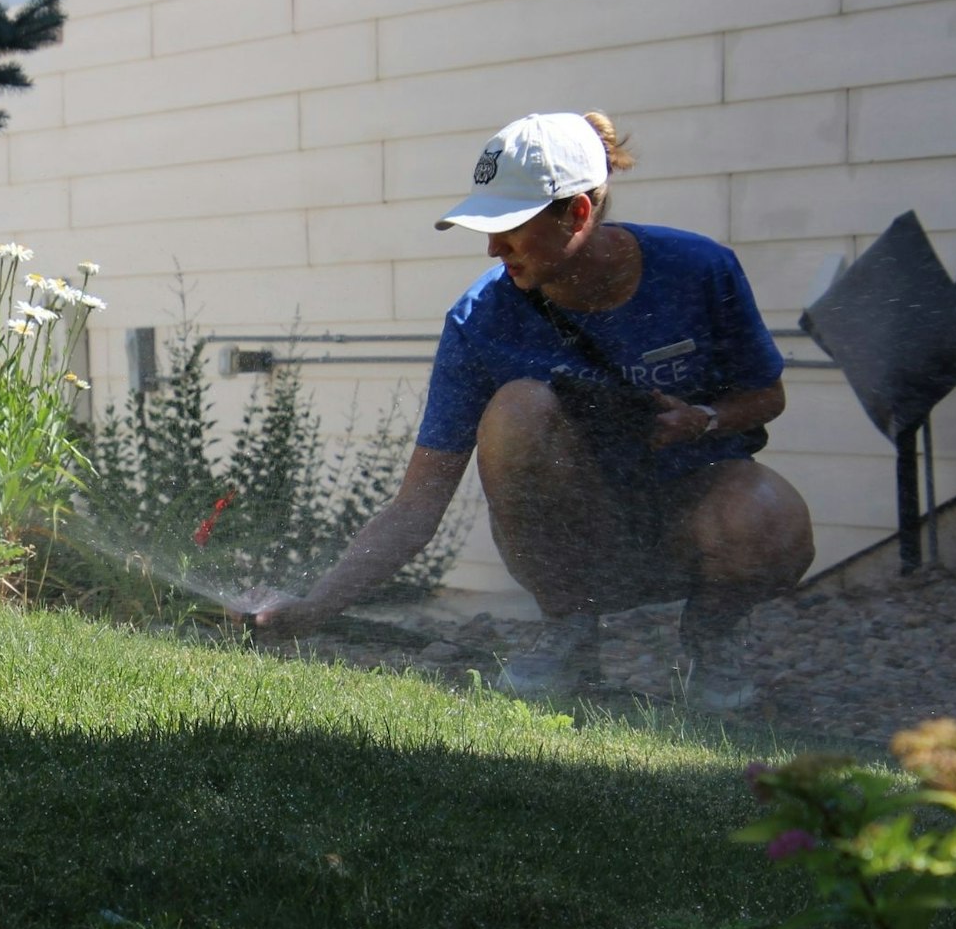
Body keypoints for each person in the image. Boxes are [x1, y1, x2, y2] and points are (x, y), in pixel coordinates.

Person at [250, 111, 813, 711]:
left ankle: (712, 636)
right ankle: (568, 628)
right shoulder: (480, 319)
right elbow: (417, 505)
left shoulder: (698, 269)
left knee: (772, 520)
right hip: (583, 536)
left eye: (510, 227)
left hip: (692, 508)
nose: (493, 249)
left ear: (577, 214)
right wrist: (312, 610)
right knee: (519, 408)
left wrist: (702, 419)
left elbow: (765, 398)